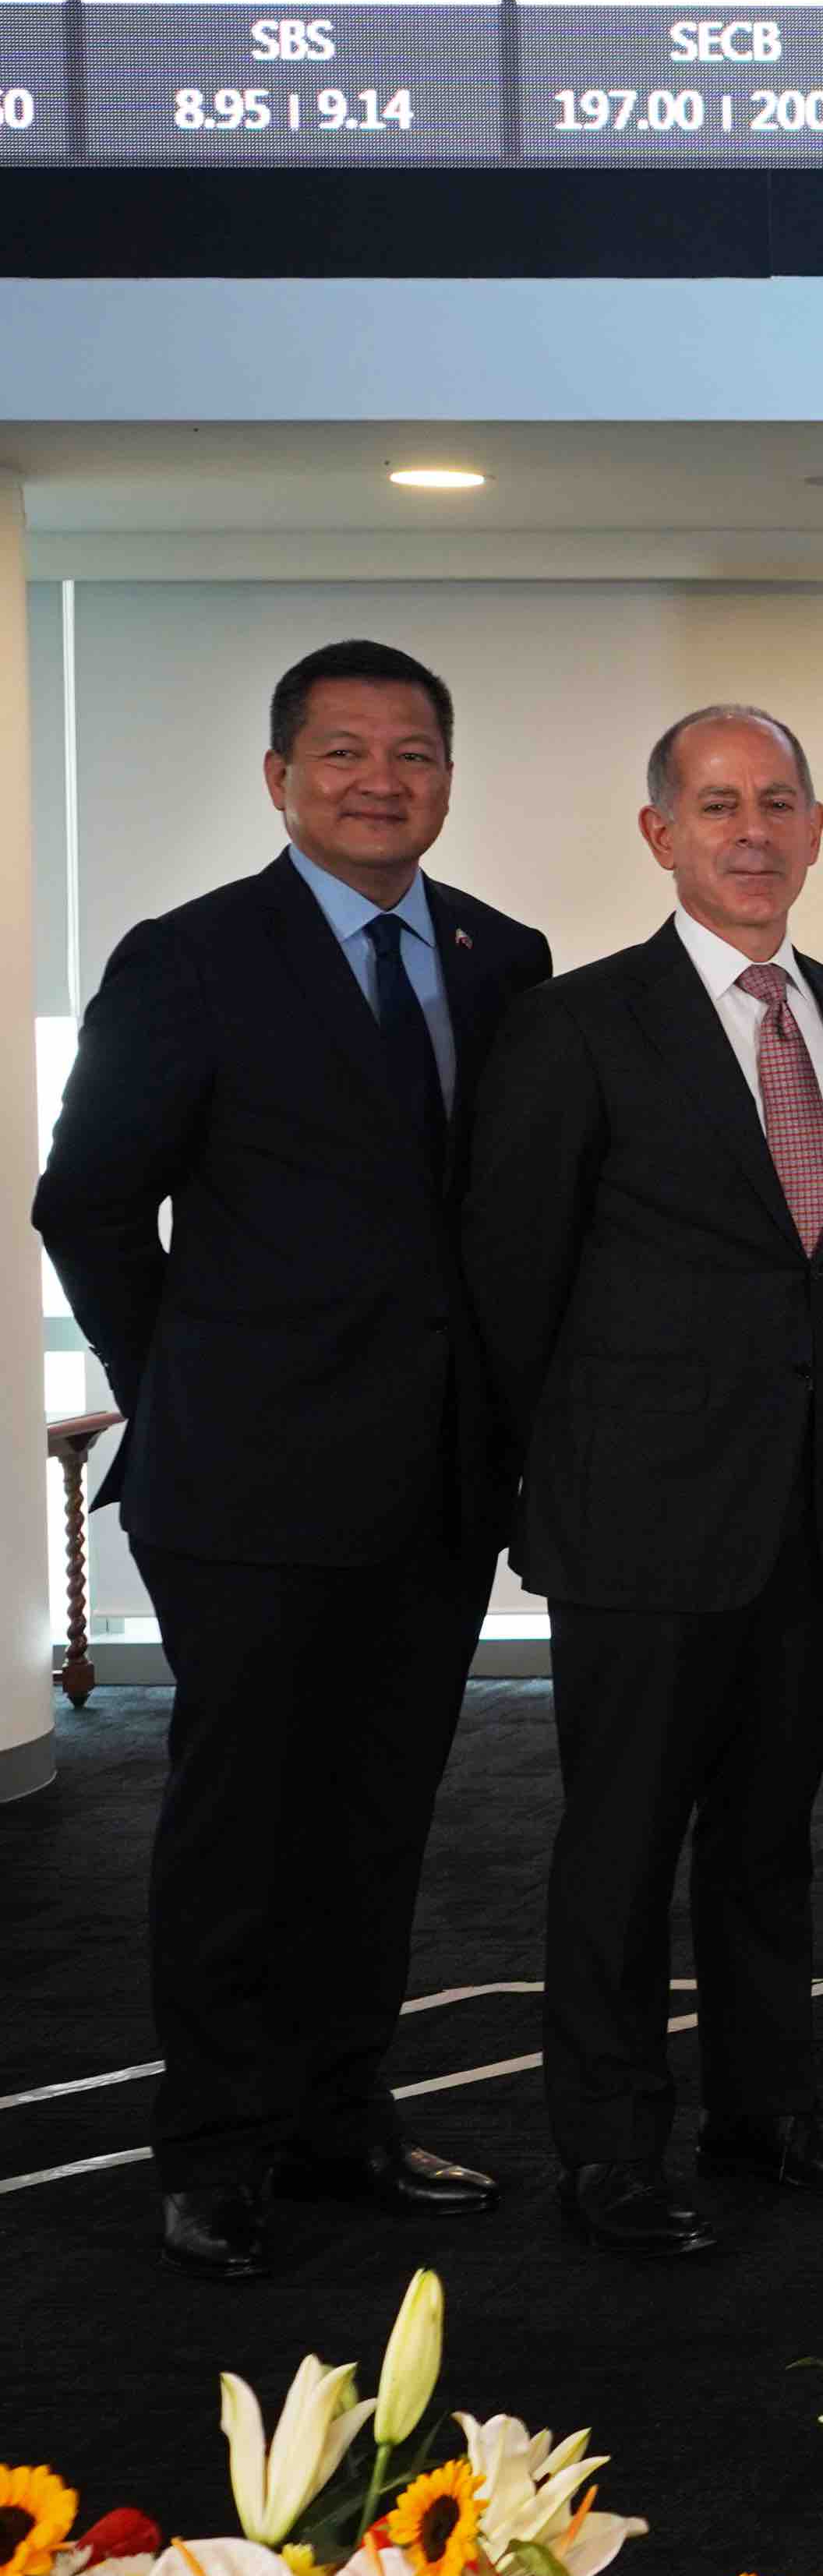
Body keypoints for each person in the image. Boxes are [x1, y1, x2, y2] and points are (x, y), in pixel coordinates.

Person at [34, 640, 552, 2282]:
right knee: (239, 1825)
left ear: (448, 780)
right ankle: (214, 2149)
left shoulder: (499, 955)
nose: (378, 780)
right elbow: (89, 1203)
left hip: (434, 1482)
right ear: (280, 779)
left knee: (379, 1817)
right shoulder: (189, 958)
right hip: (247, 1481)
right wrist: (178, 1380)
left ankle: (346, 2119)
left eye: (411, 753)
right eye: (341, 753)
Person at [463, 703, 823, 2259]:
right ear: (660, 832)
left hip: (807, 1510)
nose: (751, 830)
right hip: (636, 1519)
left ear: (813, 828)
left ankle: (765, 2108)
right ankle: (607, 2148)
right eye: (717, 803)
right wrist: (542, 1493)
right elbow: (510, 1286)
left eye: (778, 801)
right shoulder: (579, 1026)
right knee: (621, 1839)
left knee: (772, 1831)